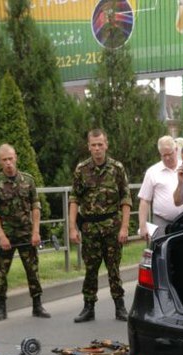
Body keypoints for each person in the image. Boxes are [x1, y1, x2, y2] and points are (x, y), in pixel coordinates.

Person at [69, 129, 132, 323]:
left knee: (114, 268)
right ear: (88, 147)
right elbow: (74, 199)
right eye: (93, 145)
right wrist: (72, 227)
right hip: (90, 228)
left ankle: (120, 306)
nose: (97, 148)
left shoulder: (117, 168)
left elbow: (126, 198)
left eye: (100, 144)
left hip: (112, 226)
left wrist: (124, 227)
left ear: (106, 145)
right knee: (90, 269)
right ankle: (88, 307)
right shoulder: (81, 169)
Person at [0, 144, 50, 322]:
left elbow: (35, 206)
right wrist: (1, 236)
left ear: (16, 158)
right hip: (5, 234)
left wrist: (36, 232)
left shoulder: (28, 180)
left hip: (26, 233)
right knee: (1, 272)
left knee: (32, 270)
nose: (8, 163)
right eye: (4, 160)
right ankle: (1, 307)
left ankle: (37, 305)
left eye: (10, 158)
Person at [137, 136, 181, 239]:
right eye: (163, 155)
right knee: (161, 247)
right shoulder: (152, 172)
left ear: (176, 149)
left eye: (170, 154)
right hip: (161, 222)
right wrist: (142, 226)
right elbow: (144, 200)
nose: (167, 158)